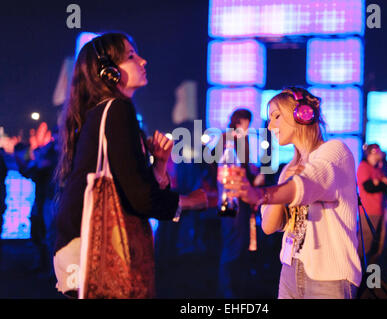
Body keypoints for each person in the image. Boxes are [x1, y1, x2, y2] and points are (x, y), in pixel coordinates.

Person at [53, 32, 207, 298]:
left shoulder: (103, 111)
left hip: (78, 248)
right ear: (109, 72)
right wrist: (195, 200)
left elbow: (131, 186)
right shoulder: (117, 110)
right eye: (132, 56)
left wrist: (159, 166)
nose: (143, 61)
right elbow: (141, 199)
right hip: (93, 252)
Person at [225, 87, 362, 299]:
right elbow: (270, 226)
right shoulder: (289, 168)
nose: (270, 126)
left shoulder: (335, 151)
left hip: (329, 276)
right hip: (290, 270)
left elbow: (309, 182)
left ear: (302, 115)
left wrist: (260, 195)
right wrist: (283, 185)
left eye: (276, 116)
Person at [216, 108, 265, 298]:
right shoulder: (231, 140)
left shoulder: (230, 139)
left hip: (233, 198)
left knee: (236, 242)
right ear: (242, 121)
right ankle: (229, 290)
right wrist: (253, 180)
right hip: (231, 199)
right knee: (233, 243)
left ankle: (232, 288)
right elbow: (231, 170)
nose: (249, 127)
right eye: (248, 123)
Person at [14, 122, 58, 273]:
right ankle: (45, 265)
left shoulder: (53, 155)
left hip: (49, 199)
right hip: (43, 198)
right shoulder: (50, 154)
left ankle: (50, 268)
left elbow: (31, 170)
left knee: (47, 233)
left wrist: (25, 160)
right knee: (40, 231)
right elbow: (30, 171)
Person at [356, 144, 387, 264]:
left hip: (380, 210)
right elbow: (369, 187)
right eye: (375, 153)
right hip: (368, 211)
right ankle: (358, 274)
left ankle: (370, 276)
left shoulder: (378, 169)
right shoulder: (364, 167)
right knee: (365, 244)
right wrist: (380, 183)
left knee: (377, 246)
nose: (378, 156)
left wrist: (380, 182)